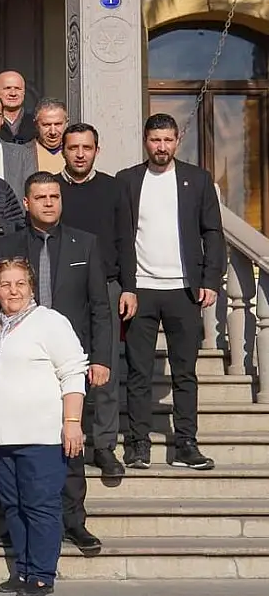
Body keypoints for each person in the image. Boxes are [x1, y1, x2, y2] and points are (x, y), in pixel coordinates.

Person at [0, 172, 112, 553]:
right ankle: (23, 524)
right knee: (24, 447)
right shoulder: (8, 244)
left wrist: (102, 359)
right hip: (21, 365)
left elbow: (99, 307)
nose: (48, 203)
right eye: (40, 197)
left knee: (71, 439)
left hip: (68, 363)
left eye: (54, 196)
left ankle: (74, 521)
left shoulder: (86, 244)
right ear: (26, 203)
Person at [0, 257, 88, 596]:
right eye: (5, 284)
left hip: (40, 436)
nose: (13, 290)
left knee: (40, 505)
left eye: (20, 284)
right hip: (1, 438)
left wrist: (71, 422)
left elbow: (73, 373)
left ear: (31, 287)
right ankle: (23, 570)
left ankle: (42, 574)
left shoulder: (50, 323)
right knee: (13, 506)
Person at [117, 113, 225, 470]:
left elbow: (212, 232)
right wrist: (126, 286)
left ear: (178, 140)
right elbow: (120, 237)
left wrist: (211, 279)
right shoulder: (128, 180)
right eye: (154, 140)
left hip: (184, 290)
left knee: (185, 372)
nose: (161, 147)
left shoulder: (197, 180)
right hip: (141, 290)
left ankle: (186, 445)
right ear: (145, 141)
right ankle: (138, 444)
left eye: (167, 140)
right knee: (137, 371)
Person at [59, 122, 137, 478]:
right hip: (63, 287)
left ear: (96, 150)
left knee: (105, 367)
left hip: (107, 287)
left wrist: (129, 287)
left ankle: (104, 445)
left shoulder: (114, 188)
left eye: (86, 148)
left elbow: (126, 240)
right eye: (73, 147)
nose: (79, 154)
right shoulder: (52, 189)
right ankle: (61, 437)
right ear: (63, 149)